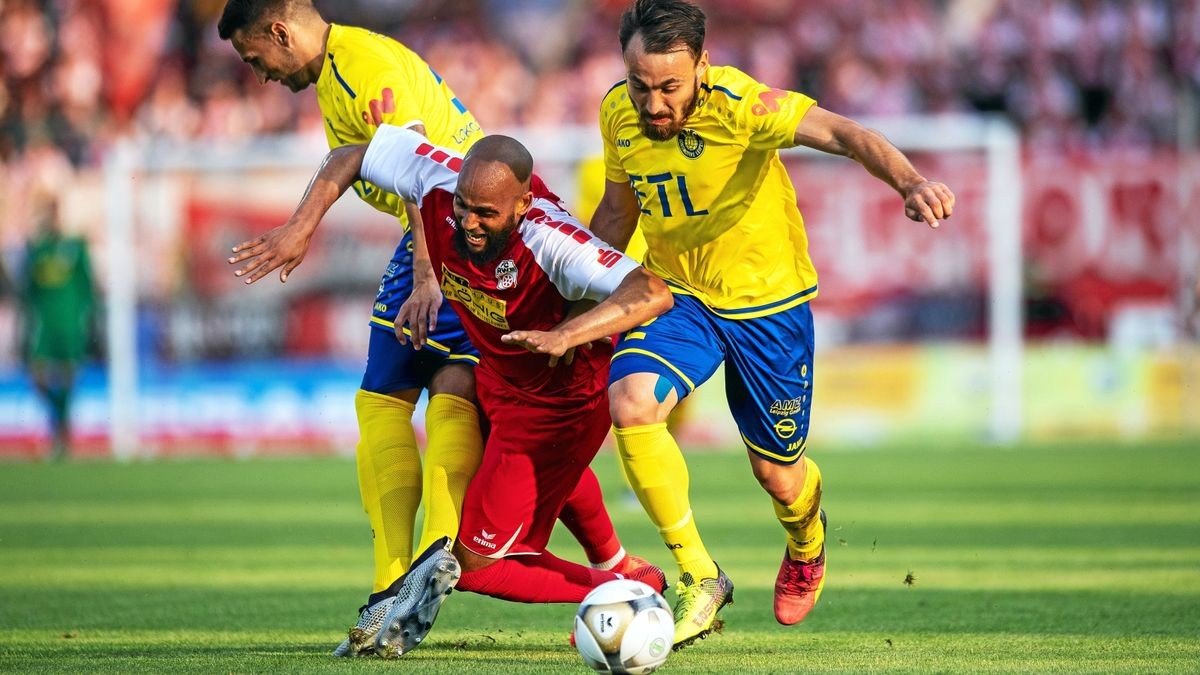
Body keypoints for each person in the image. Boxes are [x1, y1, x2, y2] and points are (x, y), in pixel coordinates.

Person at [218, 0, 654, 656]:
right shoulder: (343, 68)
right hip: (439, 246)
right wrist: (301, 226)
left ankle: (417, 570)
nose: (260, 75)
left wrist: (431, 275)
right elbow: (371, 161)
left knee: (442, 395)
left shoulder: (366, 71)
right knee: (423, 399)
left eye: (256, 58)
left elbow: (435, 185)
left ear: (280, 31)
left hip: (447, 251)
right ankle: (412, 574)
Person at [588, 0, 957, 649]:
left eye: (668, 87)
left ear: (702, 66)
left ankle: (807, 543)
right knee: (631, 400)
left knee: (778, 474)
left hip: (768, 305)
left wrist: (909, 181)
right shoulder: (617, 113)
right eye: (640, 85)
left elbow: (845, 134)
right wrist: (574, 300)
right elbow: (617, 215)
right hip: (679, 294)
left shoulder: (743, 106)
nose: (652, 104)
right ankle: (699, 573)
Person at [19, 199, 95, 460]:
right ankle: (59, 421)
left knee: (69, 377)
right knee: (38, 378)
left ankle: (61, 436)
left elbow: (88, 286)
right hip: (44, 324)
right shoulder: (37, 250)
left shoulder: (75, 247)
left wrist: (87, 319)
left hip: (70, 323)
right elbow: (28, 291)